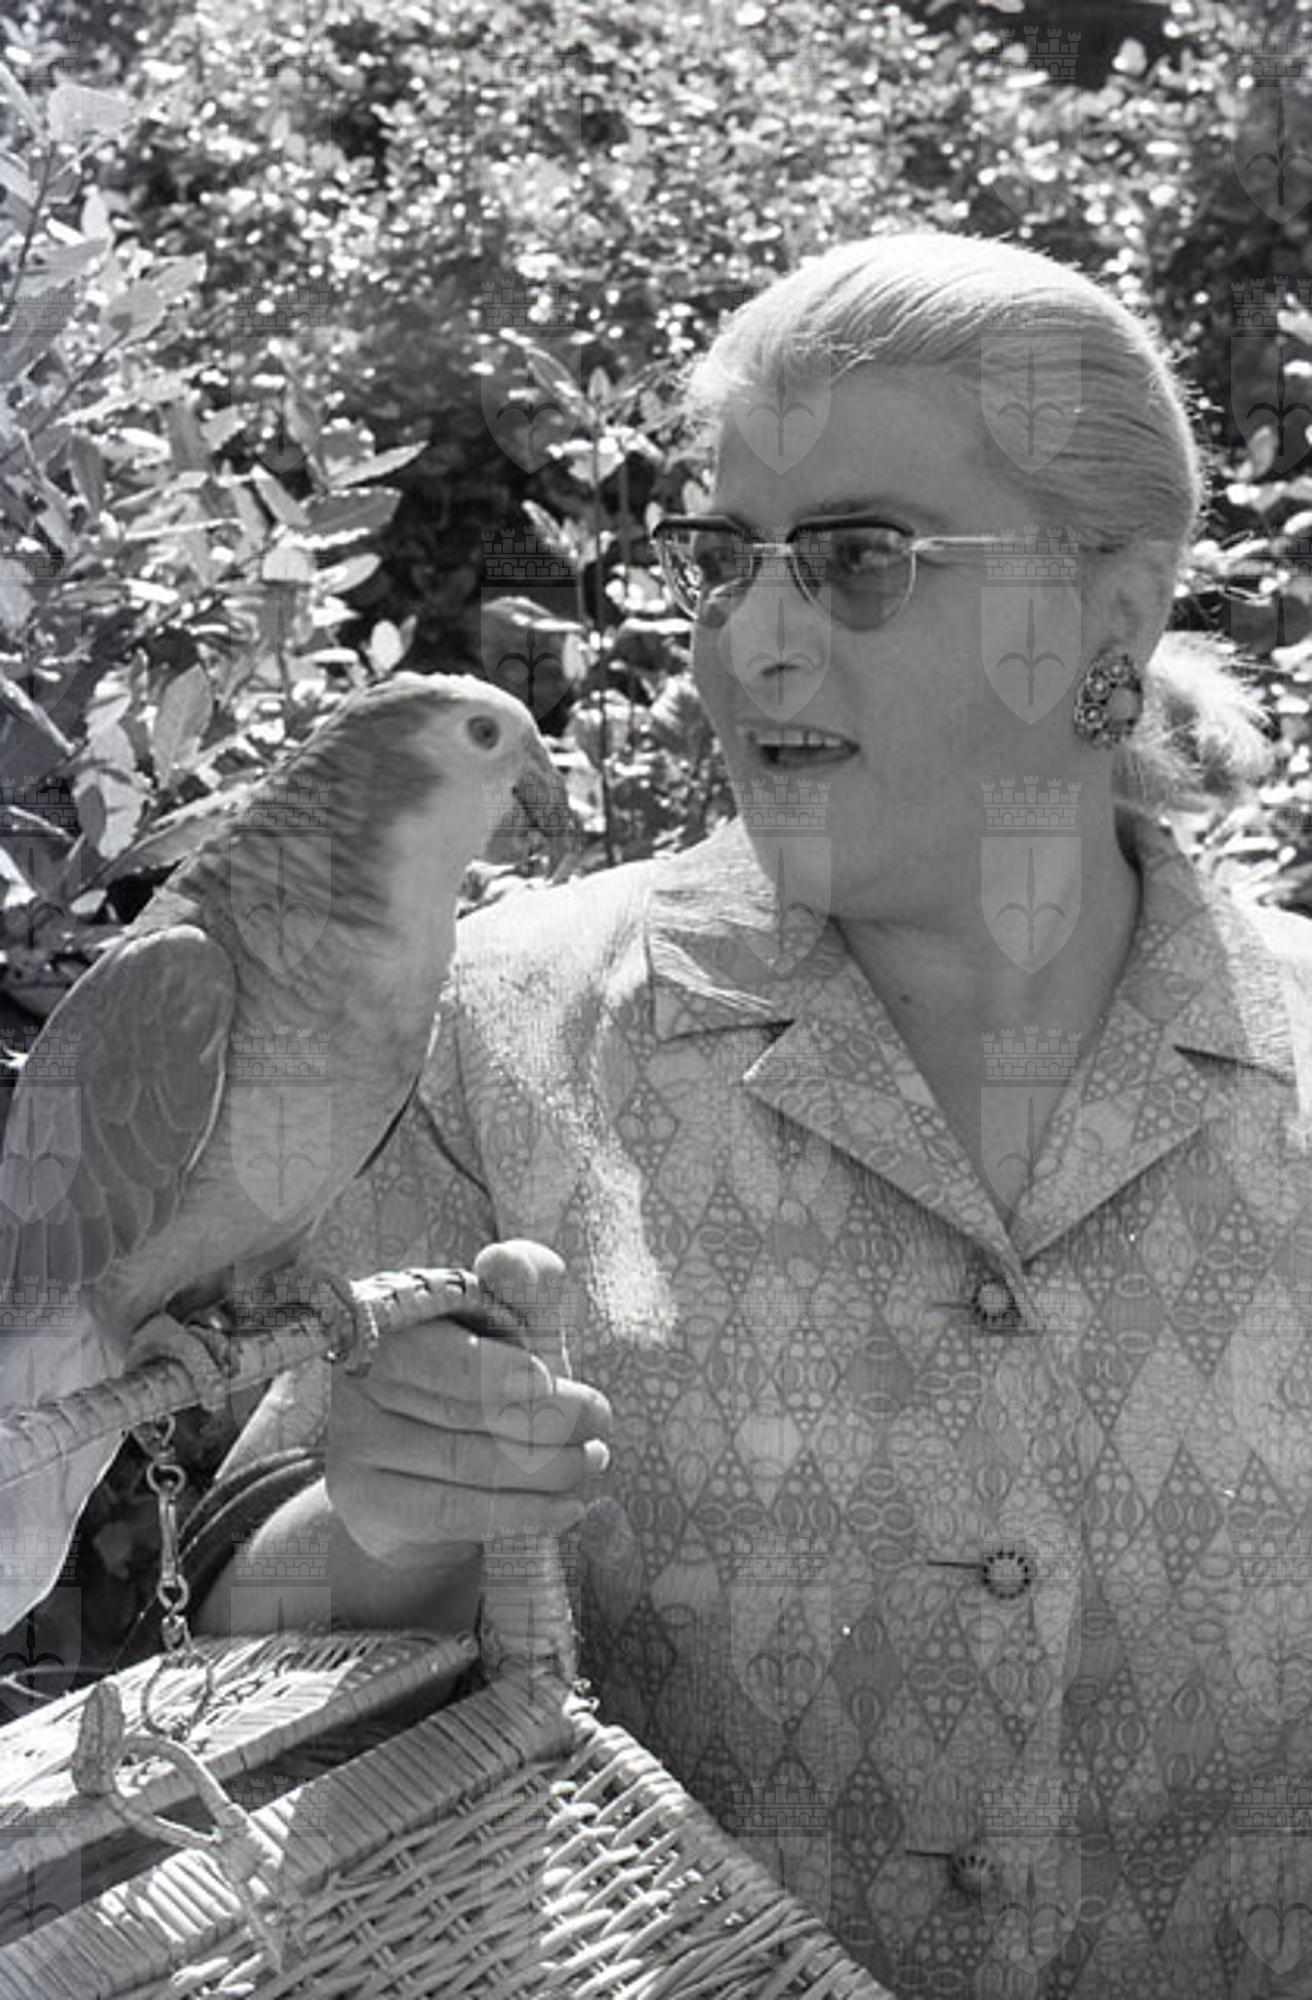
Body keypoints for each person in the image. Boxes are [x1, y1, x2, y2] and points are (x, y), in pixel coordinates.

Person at [180, 232, 1312, 1998]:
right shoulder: (491, 1032)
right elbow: (237, 1642)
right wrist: (390, 1515)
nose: (749, 642)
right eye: (723, 559)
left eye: (861, 560)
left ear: (1114, 609)